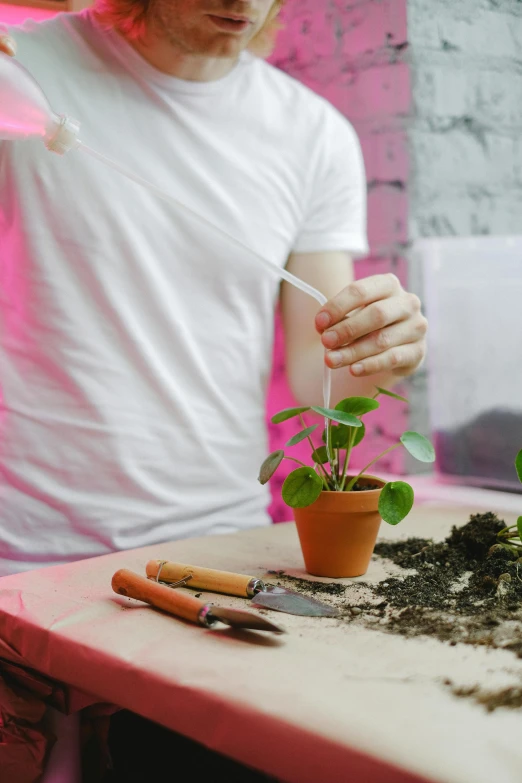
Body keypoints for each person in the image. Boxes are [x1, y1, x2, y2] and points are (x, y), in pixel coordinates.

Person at [0, 3, 426, 779]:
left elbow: (317, 371)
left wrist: (383, 346)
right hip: (23, 564)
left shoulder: (312, 132)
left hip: (213, 559)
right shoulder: (20, 68)